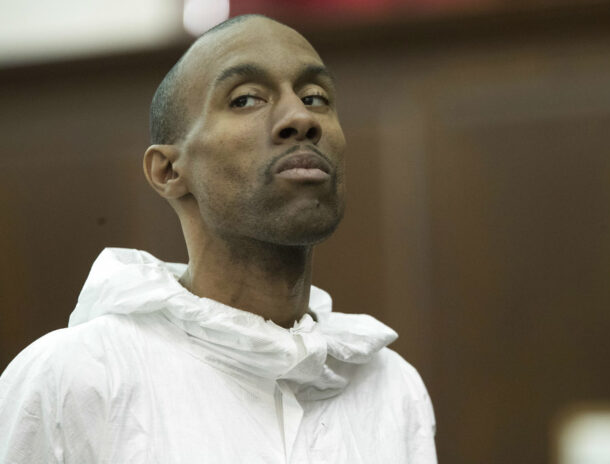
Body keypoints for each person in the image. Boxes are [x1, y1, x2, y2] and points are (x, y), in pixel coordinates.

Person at [0, 14, 437, 463]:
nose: (301, 118)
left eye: (315, 97)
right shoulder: (77, 376)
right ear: (169, 171)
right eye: (246, 99)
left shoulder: (391, 387)